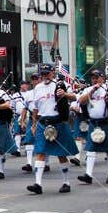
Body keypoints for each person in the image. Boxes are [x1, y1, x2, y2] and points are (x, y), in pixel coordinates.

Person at [26, 65, 78, 194]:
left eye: (47, 73)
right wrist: (33, 124)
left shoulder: (60, 84)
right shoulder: (37, 88)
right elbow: (35, 108)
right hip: (43, 122)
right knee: (40, 152)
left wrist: (65, 94)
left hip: (58, 121)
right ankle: (37, 184)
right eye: (42, 74)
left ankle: (66, 182)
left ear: (53, 73)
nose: (45, 76)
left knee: (61, 154)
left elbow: (75, 97)